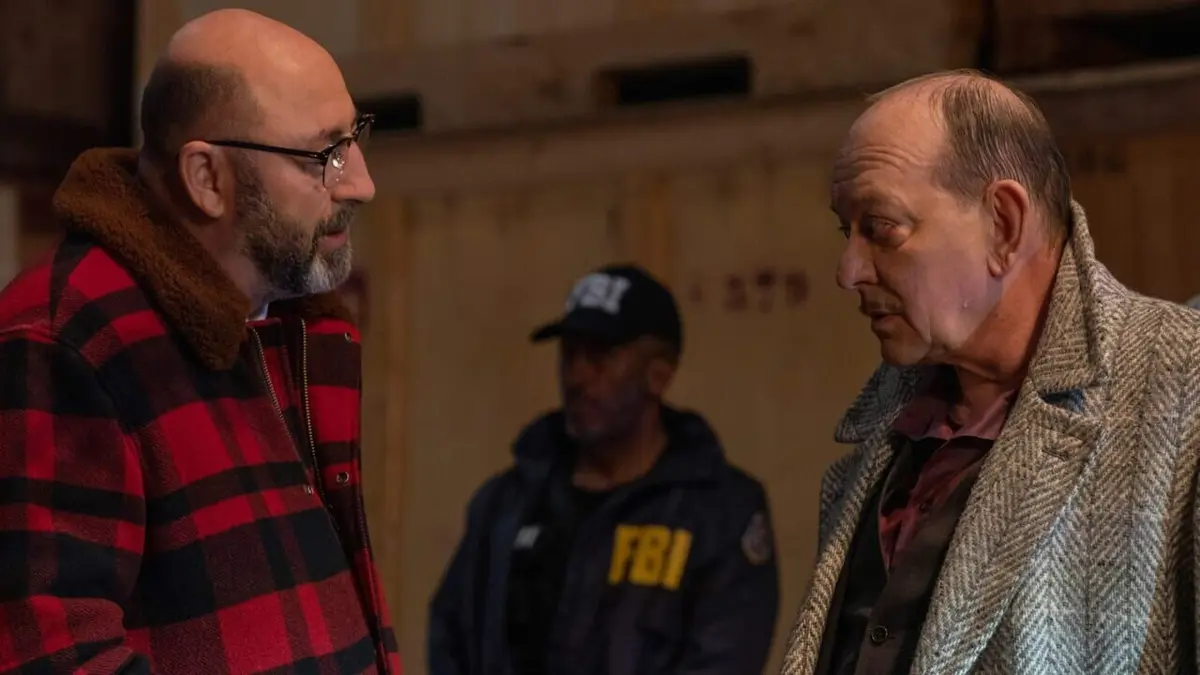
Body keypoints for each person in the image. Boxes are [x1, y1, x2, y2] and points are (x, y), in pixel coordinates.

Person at [0, 9, 400, 674]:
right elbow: (52, 656)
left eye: (354, 137)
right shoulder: (64, 340)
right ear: (207, 178)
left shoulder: (294, 322)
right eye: (323, 155)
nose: (361, 182)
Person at [781, 68, 1200, 675]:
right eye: (848, 233)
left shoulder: (1183, 388)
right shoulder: (889, 426)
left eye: (881, 229)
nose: (848, 271)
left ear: (1003, 223)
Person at [428, 263, 780, 675]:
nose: (577, 377)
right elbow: (451, 638)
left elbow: (724, 657)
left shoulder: (721, 514)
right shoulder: (506, 504)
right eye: (569, 355)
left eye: (601, 357)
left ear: (659, 374)